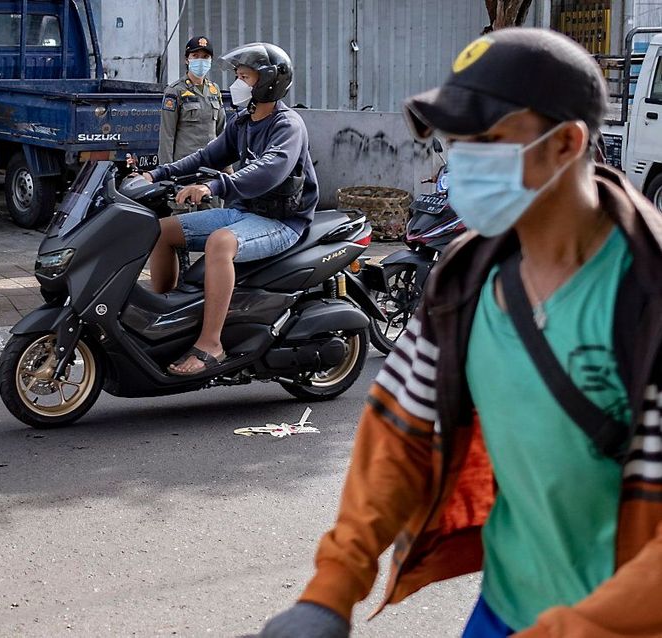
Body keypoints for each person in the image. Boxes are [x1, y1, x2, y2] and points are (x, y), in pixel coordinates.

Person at [261, 28, 662, 638]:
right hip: (503, 609)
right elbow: (398, 435)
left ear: (567, 144)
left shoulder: (648, 297)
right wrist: (331, 589)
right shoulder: (467, 277)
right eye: (458, 143)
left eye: (491, 141)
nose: (465, 160)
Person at [142, 42, 317, 375]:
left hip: (283, 222)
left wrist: (213, 186)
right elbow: (206, 156)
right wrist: (155, 173)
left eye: (245, 77)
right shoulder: (242, 121)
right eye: (237, 76)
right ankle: (167, 324)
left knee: (220, 243)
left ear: (267, 82)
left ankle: (211, 344)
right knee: (162, 231)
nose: (237, 83)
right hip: (245, 212)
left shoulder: (287, 126)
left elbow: (269, 169)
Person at [158, 36, 224, 165]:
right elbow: (167, 136)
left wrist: (227, 167)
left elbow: (222, 133)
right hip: (185, 166)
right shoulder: (175, 91)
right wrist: (166, 171)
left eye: (205, 57)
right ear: (187, 60)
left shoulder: (214, 90)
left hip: (211, 164)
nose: (201, 60)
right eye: (195, 56)